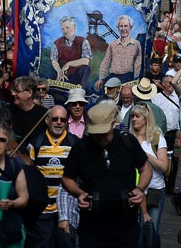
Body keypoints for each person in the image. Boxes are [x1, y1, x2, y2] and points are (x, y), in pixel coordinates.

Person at [61, 102, 151, 248]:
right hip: (93, 227)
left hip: (125, 226)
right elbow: (67, 178)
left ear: (113, 124)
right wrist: (79, 193)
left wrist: (140, 189)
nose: (100, 137)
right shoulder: (81, 147)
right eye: (96, 134)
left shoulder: (128, 142)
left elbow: (146, 169)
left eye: (104, 133)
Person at [26, 105, 78, 248]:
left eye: (63, 119)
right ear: (47, 120)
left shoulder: (75, 143)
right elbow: (29, 174)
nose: (59, 122)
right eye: (55, 119)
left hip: (66, 210)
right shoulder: (36, 142)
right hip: (42, 210)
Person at [129, 103, 168, 236]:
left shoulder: (157, 139)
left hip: (154, 189)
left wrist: (145, 155)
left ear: (146, 118)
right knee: (135, 230)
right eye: (132, 116)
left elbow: (163, 167)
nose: (134, 119)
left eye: (138, 116)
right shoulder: (129, 138)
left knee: (152, 229)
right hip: (133, 190)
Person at [94, 15, 142, 92]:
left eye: (126, 26)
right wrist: (101, 78)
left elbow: (138, 63)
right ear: (118, 28)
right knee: (104, 90)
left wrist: (135, 79)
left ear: (130, 27)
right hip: (113, 76)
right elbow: (106, 61)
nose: (123, 29)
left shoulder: (136, 44)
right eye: (121, 26)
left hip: (128, 77)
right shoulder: (113, 44)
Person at [50, 16, 92, 90]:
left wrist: (69, 64)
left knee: (86, 68)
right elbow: (54, 60)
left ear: (74, 27)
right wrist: (59, 72)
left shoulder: (83, 41)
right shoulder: (56, 43)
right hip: (63, 75)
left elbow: (86, 60)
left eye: (67, 28)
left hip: (77, 77)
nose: (65, 31)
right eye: (63, 29)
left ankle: (82, 93)